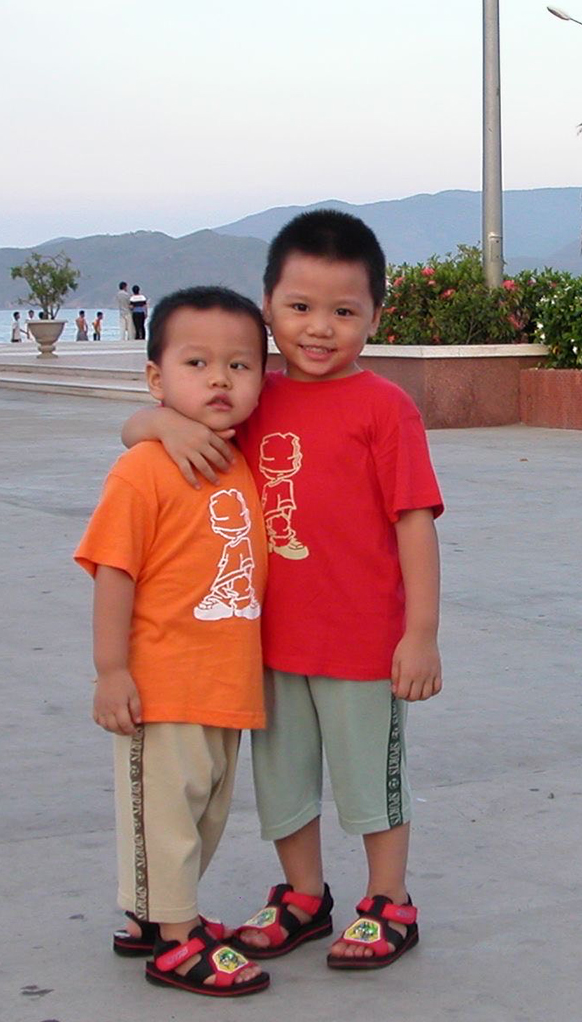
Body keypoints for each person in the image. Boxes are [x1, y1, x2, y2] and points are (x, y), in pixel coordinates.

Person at [122, 209, 443, 971]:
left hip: (365, 643)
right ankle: (304, 897)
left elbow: (415, 523)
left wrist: (420, 634)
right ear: (267, 307)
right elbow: (146, 419)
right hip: (266, 643)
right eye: (299, 308)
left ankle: (388, 901)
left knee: (372, 782)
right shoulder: (252, 394)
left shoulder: (386, 408)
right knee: (285, 785)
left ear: (375, 315)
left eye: (344, 311)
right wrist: (159, 428)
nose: (319, 328)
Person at [75, 286, 272, 998]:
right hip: (162, 684)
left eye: (239, 366)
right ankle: (177, 941)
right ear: (157, 379)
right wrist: (111, 671)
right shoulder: (143, 470)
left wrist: (156, 421)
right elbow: (113, 572)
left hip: (226, 680)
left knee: (202, 811)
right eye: (197, 363)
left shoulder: (238, 452)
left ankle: (151, 918)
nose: (220, 379)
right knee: (165, 813)